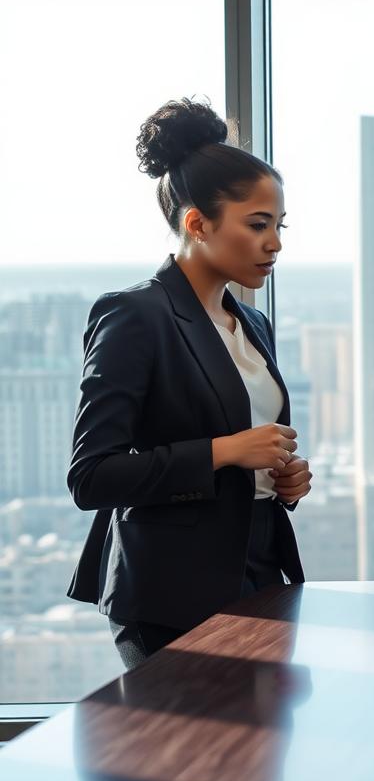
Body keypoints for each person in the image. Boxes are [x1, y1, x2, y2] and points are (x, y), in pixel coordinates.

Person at [67, 98, 309, 667]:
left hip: (259, 575)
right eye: (257, 224)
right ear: (196, 223)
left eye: (279, 225)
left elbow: (242, 448)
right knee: (192, 756)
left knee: (257, 753)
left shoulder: (253, 324)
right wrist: (226, 452)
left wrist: (281, 479)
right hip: (169, 594)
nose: (274, 242)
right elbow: (92, 476)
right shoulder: (135, 316)